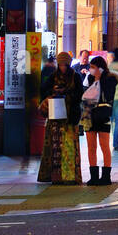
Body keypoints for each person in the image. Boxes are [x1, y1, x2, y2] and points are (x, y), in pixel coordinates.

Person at [37, 52, 82, 185]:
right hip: (55, 117)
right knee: (54, 147)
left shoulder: (75, 77)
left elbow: (79, 94)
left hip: (69, 118)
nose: (62, 67)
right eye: (60, 64)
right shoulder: (52, 76)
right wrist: (53, 92)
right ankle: (55, 176)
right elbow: (43, 90)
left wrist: (66, 93)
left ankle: (69, 176)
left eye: (65, 64)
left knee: (69, 146)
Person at [81, 56, 117, 185]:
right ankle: (94, 176)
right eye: (90, 67)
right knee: (91, 146)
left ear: (100, 68)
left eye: (93, 67)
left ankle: (106, 177)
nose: (90, 69)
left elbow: (108, 96)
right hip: (90, 115)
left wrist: (99, 80)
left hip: (103, 115)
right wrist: (94, 79)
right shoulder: (89, 78)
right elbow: (84, 93)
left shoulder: (110, 79)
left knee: (104, 145)